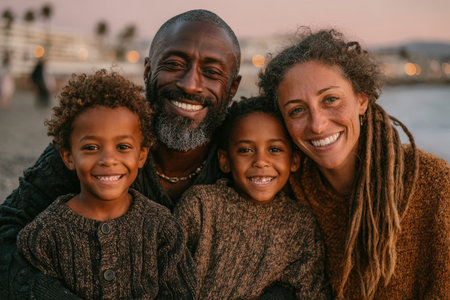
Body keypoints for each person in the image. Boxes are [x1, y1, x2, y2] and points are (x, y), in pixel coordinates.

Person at [0, 9, 241, 299]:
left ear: (233, 88)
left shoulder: (250, 149)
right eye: (174, 64)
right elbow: (7, 229)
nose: (190, 84)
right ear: (148, 72)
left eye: (212, 72)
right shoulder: (98, 141)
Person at [258, 28, 449, 299]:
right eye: (297, 110)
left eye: (331, 99)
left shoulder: (436, 185)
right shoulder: (284, 189)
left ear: (361, 99)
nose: (317, 124)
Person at [16, 69, 197, 299]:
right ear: (68, 156)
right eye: (91, 147)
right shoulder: (44, 234)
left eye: (123, 147)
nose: (108, 159)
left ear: (141, 155)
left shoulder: (163, 229)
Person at [174, 96, 331, 299]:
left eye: (274, 149)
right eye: (246, 150)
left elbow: (312, 291)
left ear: (294, 161)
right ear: (225, 161)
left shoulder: (299, 223)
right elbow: (167, 272)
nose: (260, 161)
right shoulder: (201, 205)